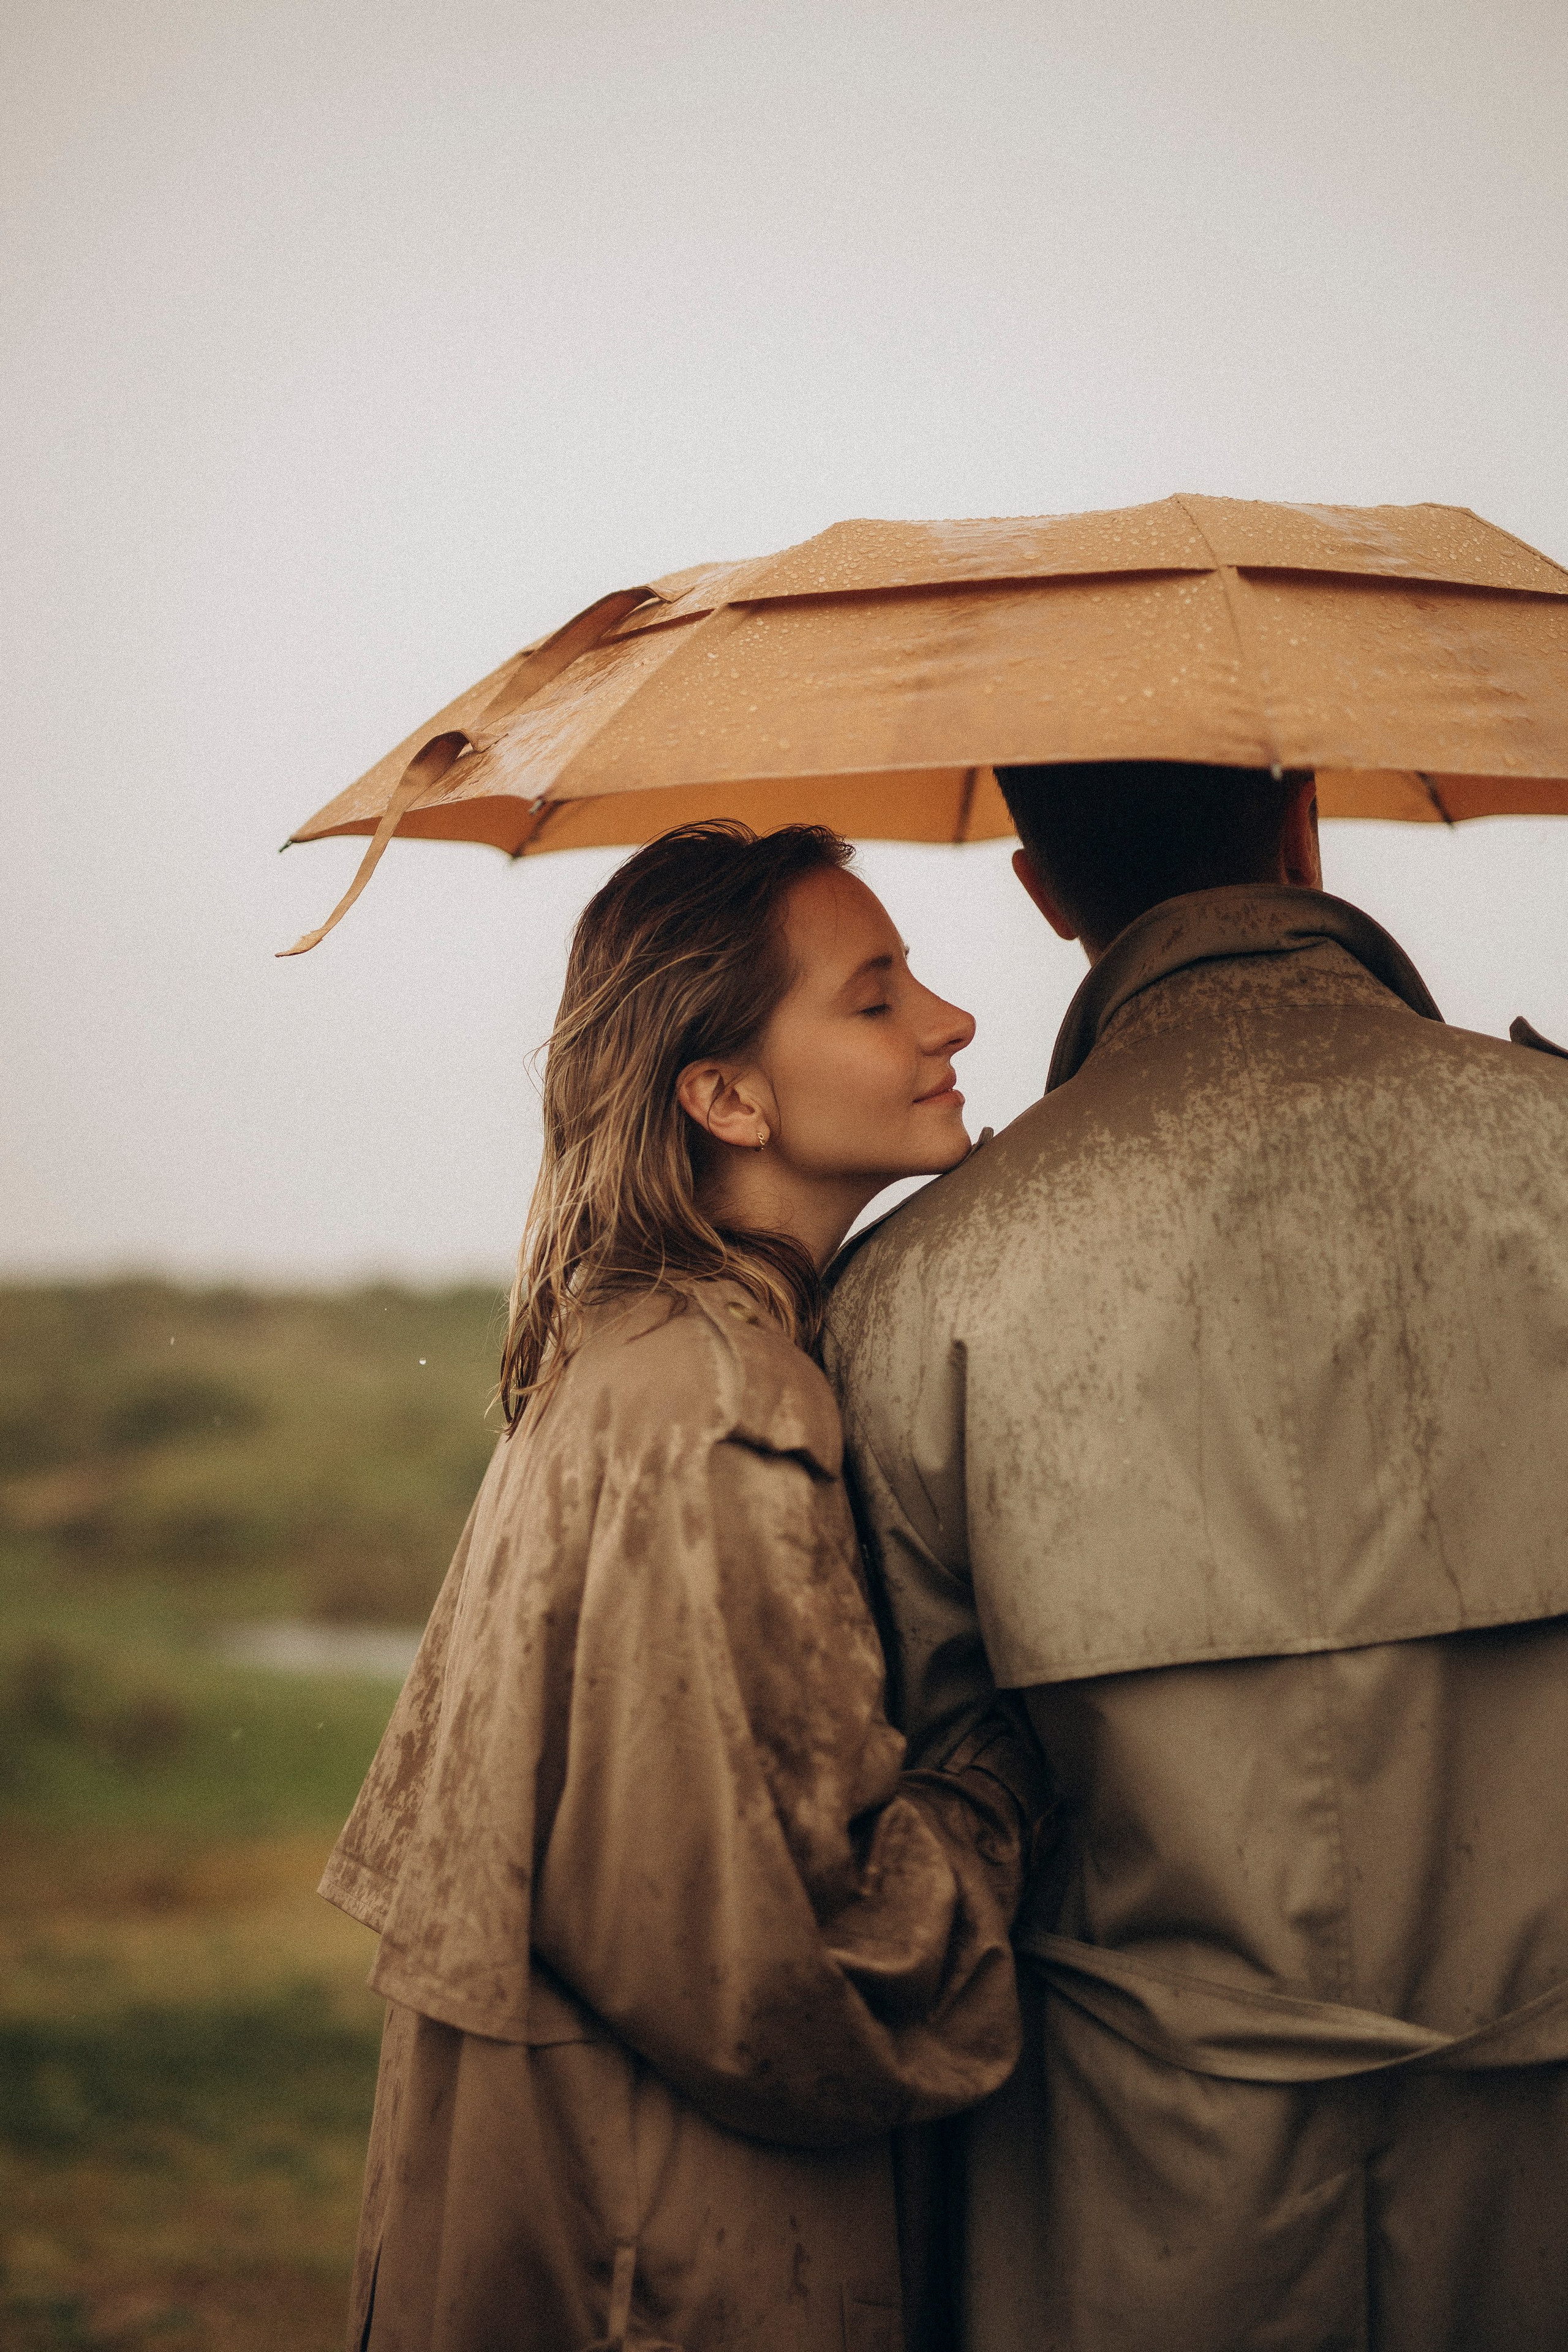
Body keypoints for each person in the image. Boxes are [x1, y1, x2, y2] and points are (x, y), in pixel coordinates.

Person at [823, 761, 1568, 2352]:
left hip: (1128, 2216)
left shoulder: (911, 1288)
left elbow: (926, 1780)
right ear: (1303, 822)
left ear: (1042, 889)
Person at [320, 821, 1047, 2352]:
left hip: (573, 2195)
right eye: (873, 997)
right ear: (723, 1094)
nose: (951, 1021)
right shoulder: (719, 1401)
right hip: (657, 2251)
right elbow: (781, 1948)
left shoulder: (636, 1348)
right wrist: (1003, 1782)